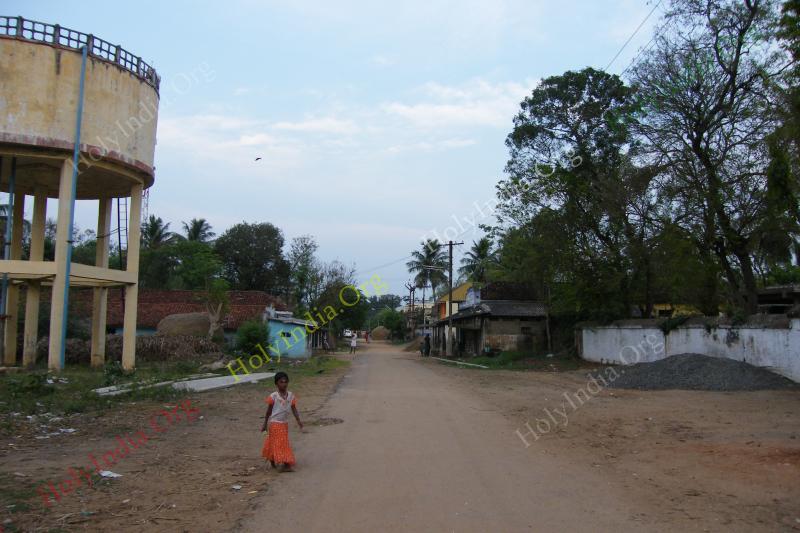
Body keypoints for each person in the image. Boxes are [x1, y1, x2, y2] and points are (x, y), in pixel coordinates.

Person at [261, 372, 303, 472]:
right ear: (276, 384)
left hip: (284, 424)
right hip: (275, 423)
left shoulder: (291, 396)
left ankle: (273, 460)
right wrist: (265, 424)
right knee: (282, 443)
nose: (284, 384)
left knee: (275, 442)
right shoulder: (273, 396)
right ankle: (285, 464)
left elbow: (294, 409)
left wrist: (299, 421)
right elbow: (268, 411)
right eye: (281, 382)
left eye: (285, 382)